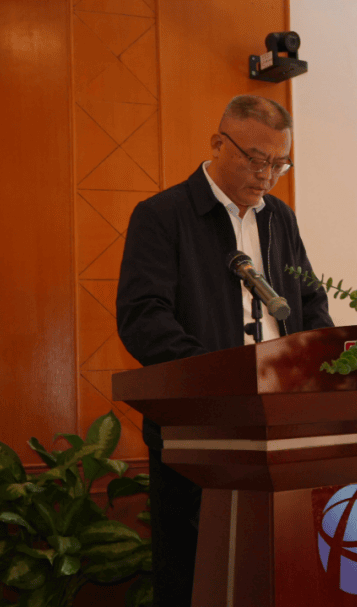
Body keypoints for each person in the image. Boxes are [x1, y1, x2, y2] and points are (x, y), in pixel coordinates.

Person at [116, 95, 333, 606]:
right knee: (199, 578)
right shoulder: (163, 215)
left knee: (277, 574)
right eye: (257, 159)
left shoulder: (280, 219)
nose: (267, 175)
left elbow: (310, 303)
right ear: (218, 143)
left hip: (281, 429)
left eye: (279, 164)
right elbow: (144, 317)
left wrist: (322, 367)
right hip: (198, 432)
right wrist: (224, 377)